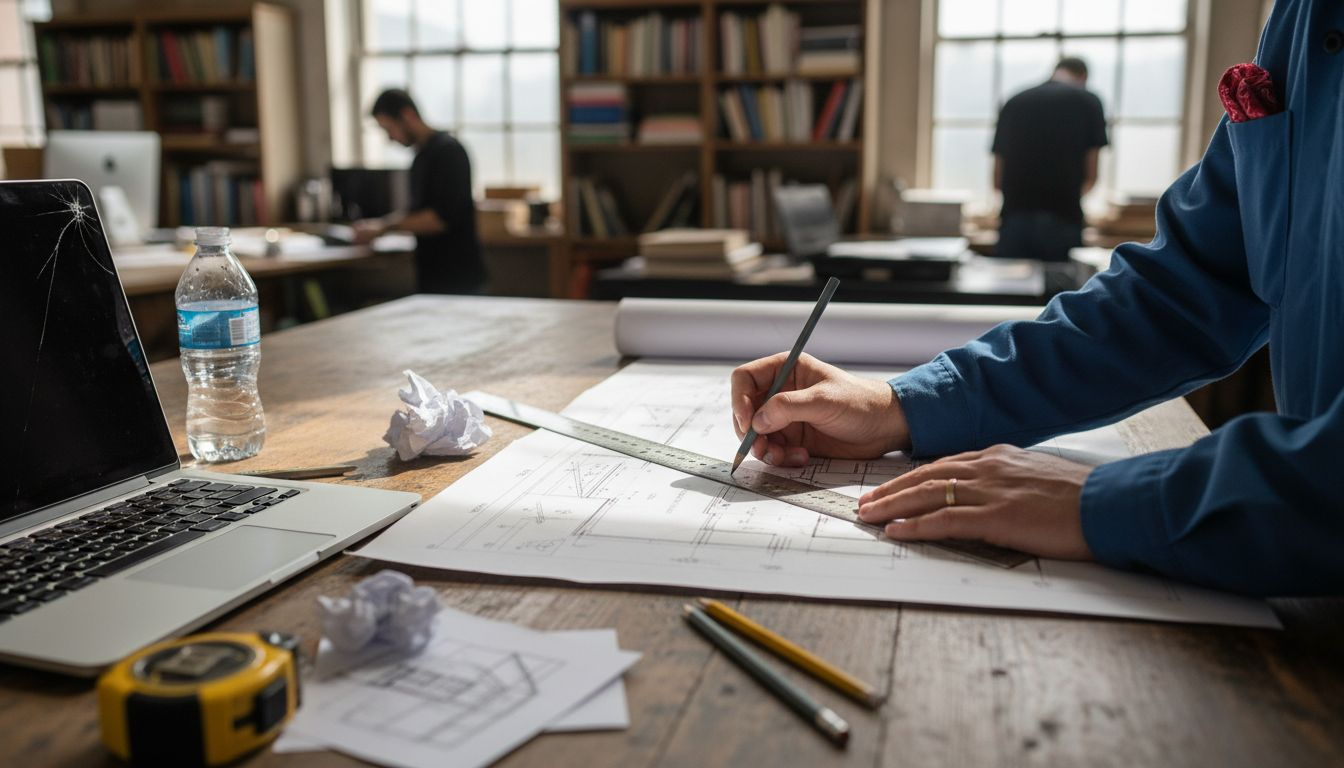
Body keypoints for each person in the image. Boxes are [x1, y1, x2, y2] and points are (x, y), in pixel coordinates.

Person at [731, 1, 1342, 598]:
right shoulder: (1301, 18)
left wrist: (1107, 501)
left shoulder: (1018, 100)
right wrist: (904, 408)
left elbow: (998, 179)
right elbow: (1181, 289)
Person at [354, 88, 487, 295]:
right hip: (432, 277)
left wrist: (383, 227)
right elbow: (417, 211)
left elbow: (439, 219)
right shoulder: (420, 158)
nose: (390, 138)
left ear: (407, 115)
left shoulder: (449, 153)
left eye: (389, 129)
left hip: (458, 279)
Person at [992, 57, 1108, 263]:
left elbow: (997, 177)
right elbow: (1092, 174)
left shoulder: (1015, 101)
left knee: (1010, 293)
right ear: (1083, 77)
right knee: (1060, 289)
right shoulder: (1088, 102)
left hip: (1014, 222)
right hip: (1064, 219)